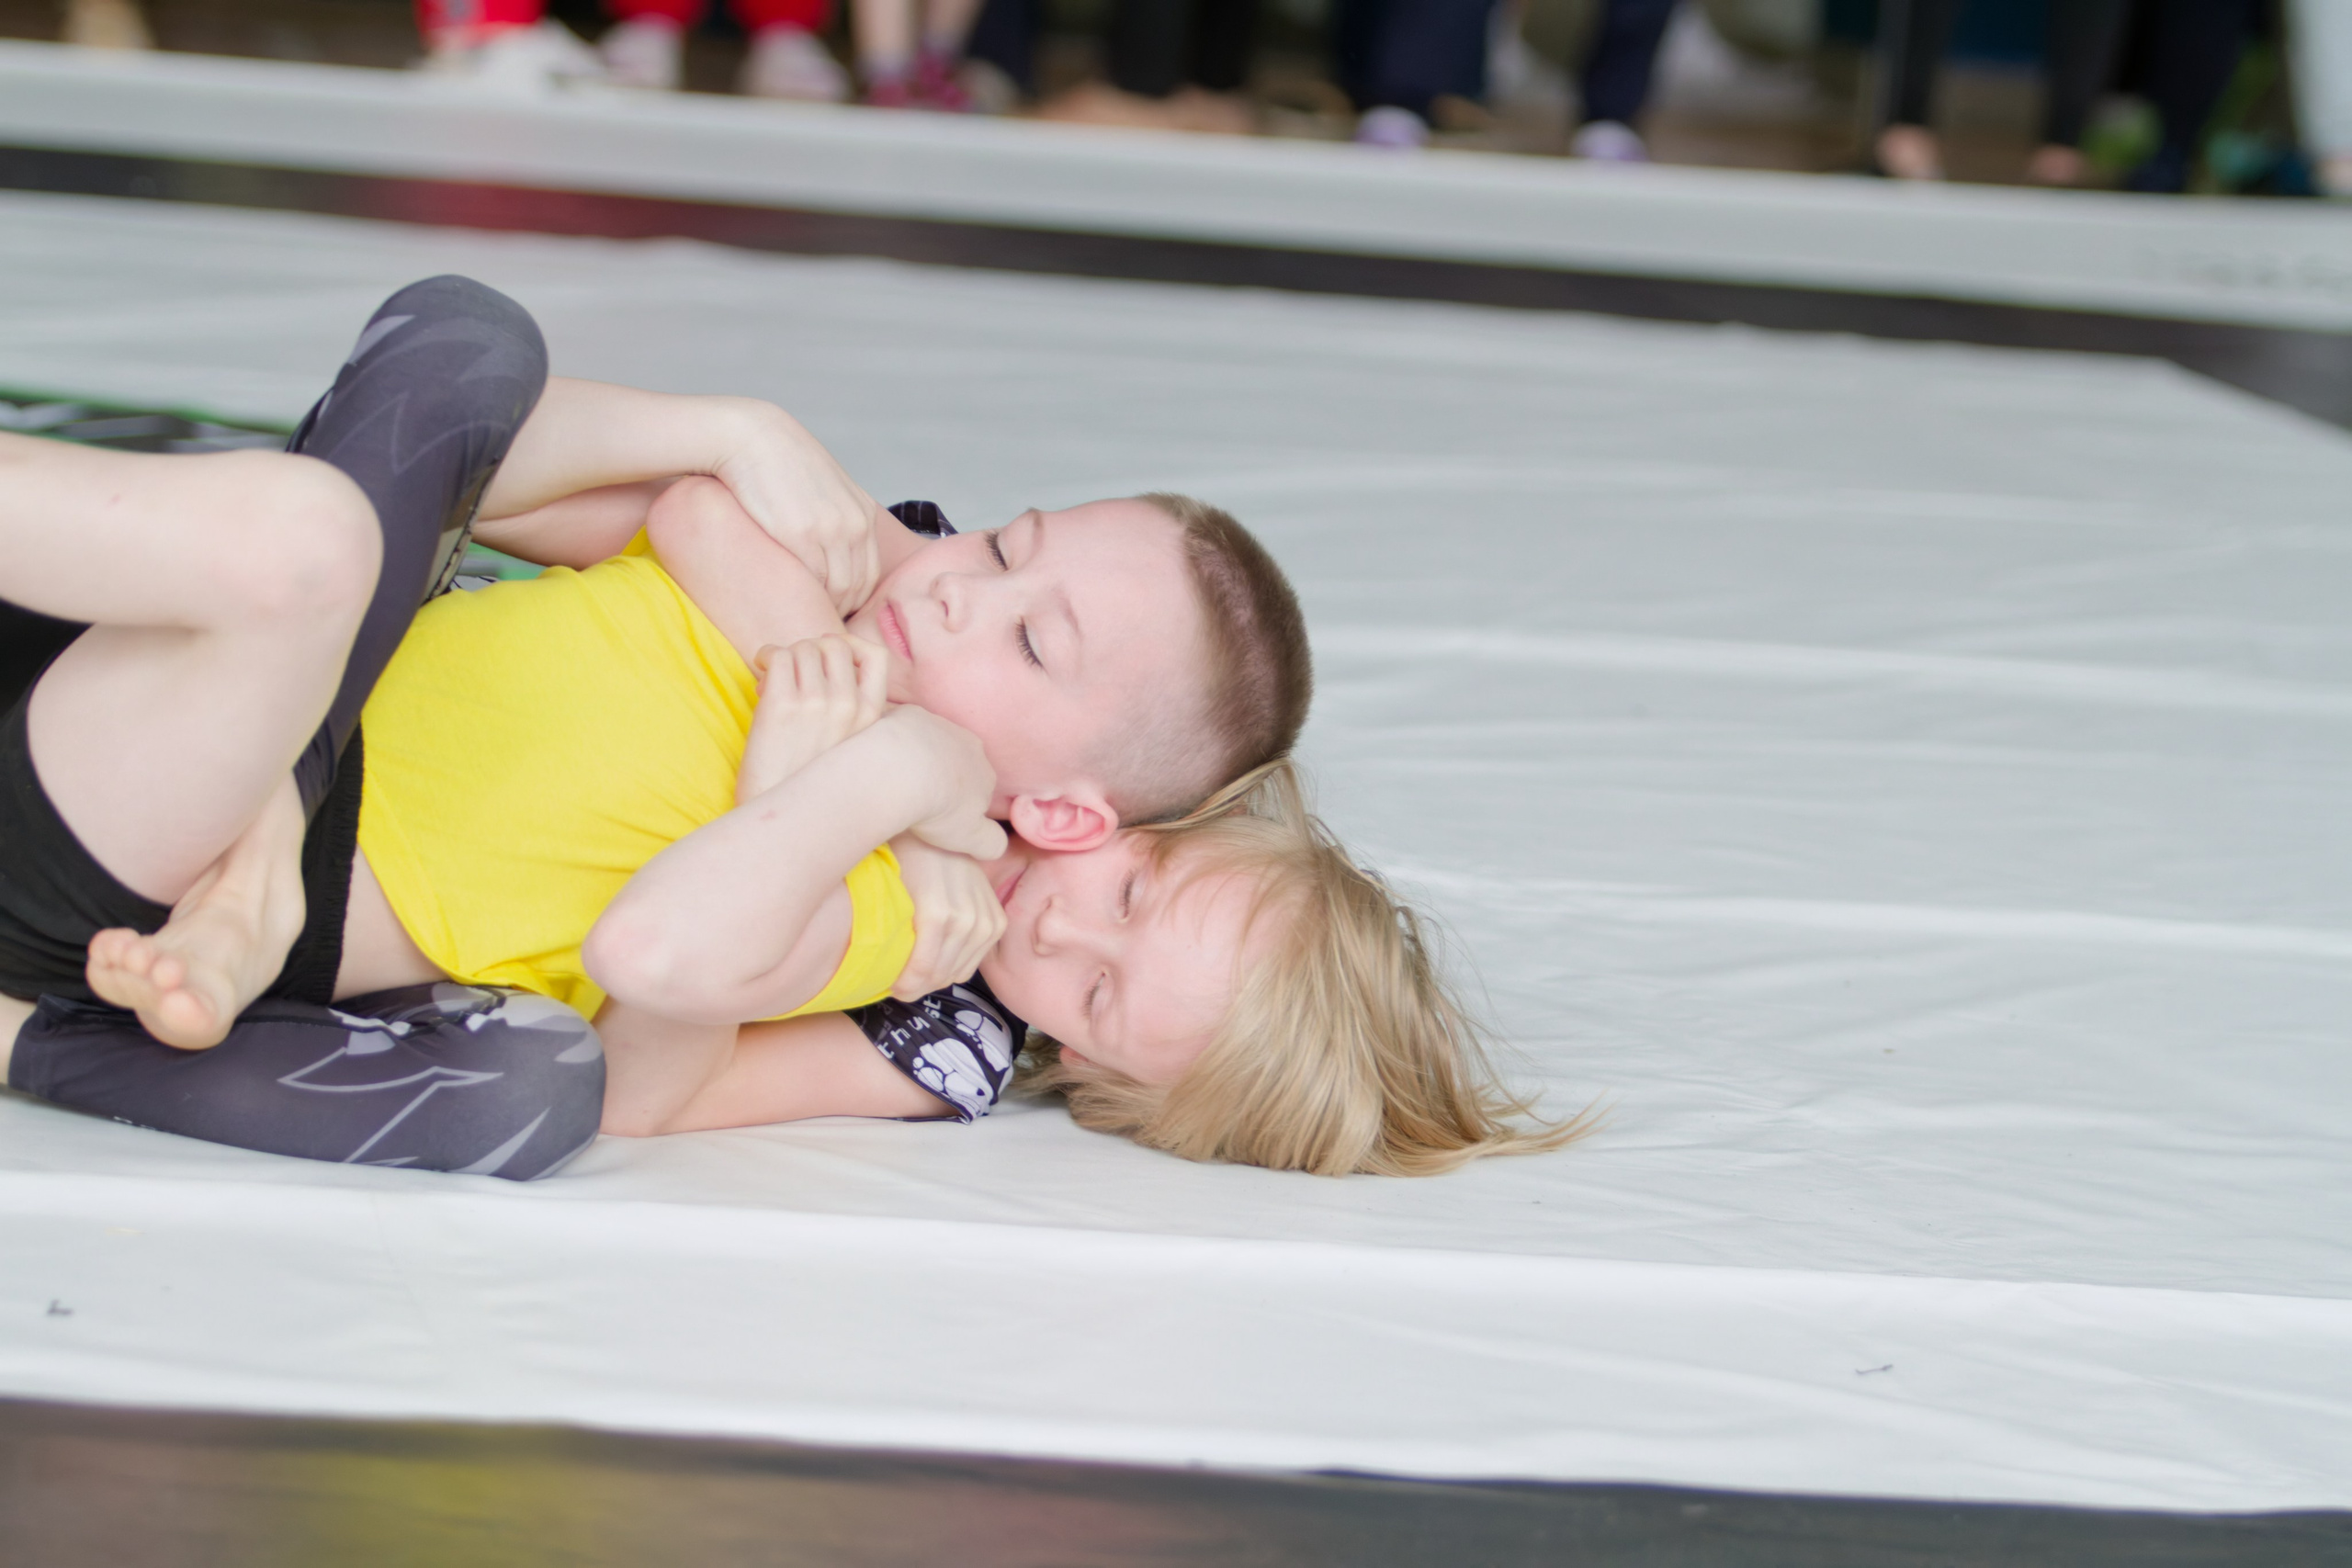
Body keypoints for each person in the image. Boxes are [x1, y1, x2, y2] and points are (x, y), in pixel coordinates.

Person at [0, 275, 1315, 1175]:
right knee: (434, 385)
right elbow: (432, 438)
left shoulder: (906, 935)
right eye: (1004, 539)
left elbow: (643, 1039)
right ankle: (263, 837)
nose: (968, 584)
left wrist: (864, 776)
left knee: (304, 546)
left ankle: (59, 1005)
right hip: (123, 673)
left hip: (132, 827)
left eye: (1030, 636)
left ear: (1070, 812)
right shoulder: (883, 580)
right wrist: (730, 440)